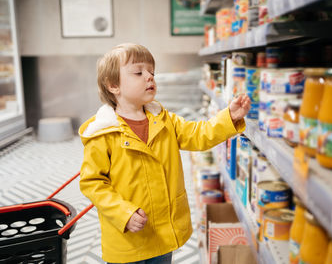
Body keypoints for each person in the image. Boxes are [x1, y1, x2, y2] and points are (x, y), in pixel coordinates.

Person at [79, 43, 251, 264]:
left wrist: (229, 117)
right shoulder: (102, 133)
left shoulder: (165, 120)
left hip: (163, 233)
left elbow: (200, 135)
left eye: (152, 72)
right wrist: (124, 213)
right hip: (127, 240)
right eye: (139, 72)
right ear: (113, 85)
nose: (149, 77)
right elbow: (93, 183)